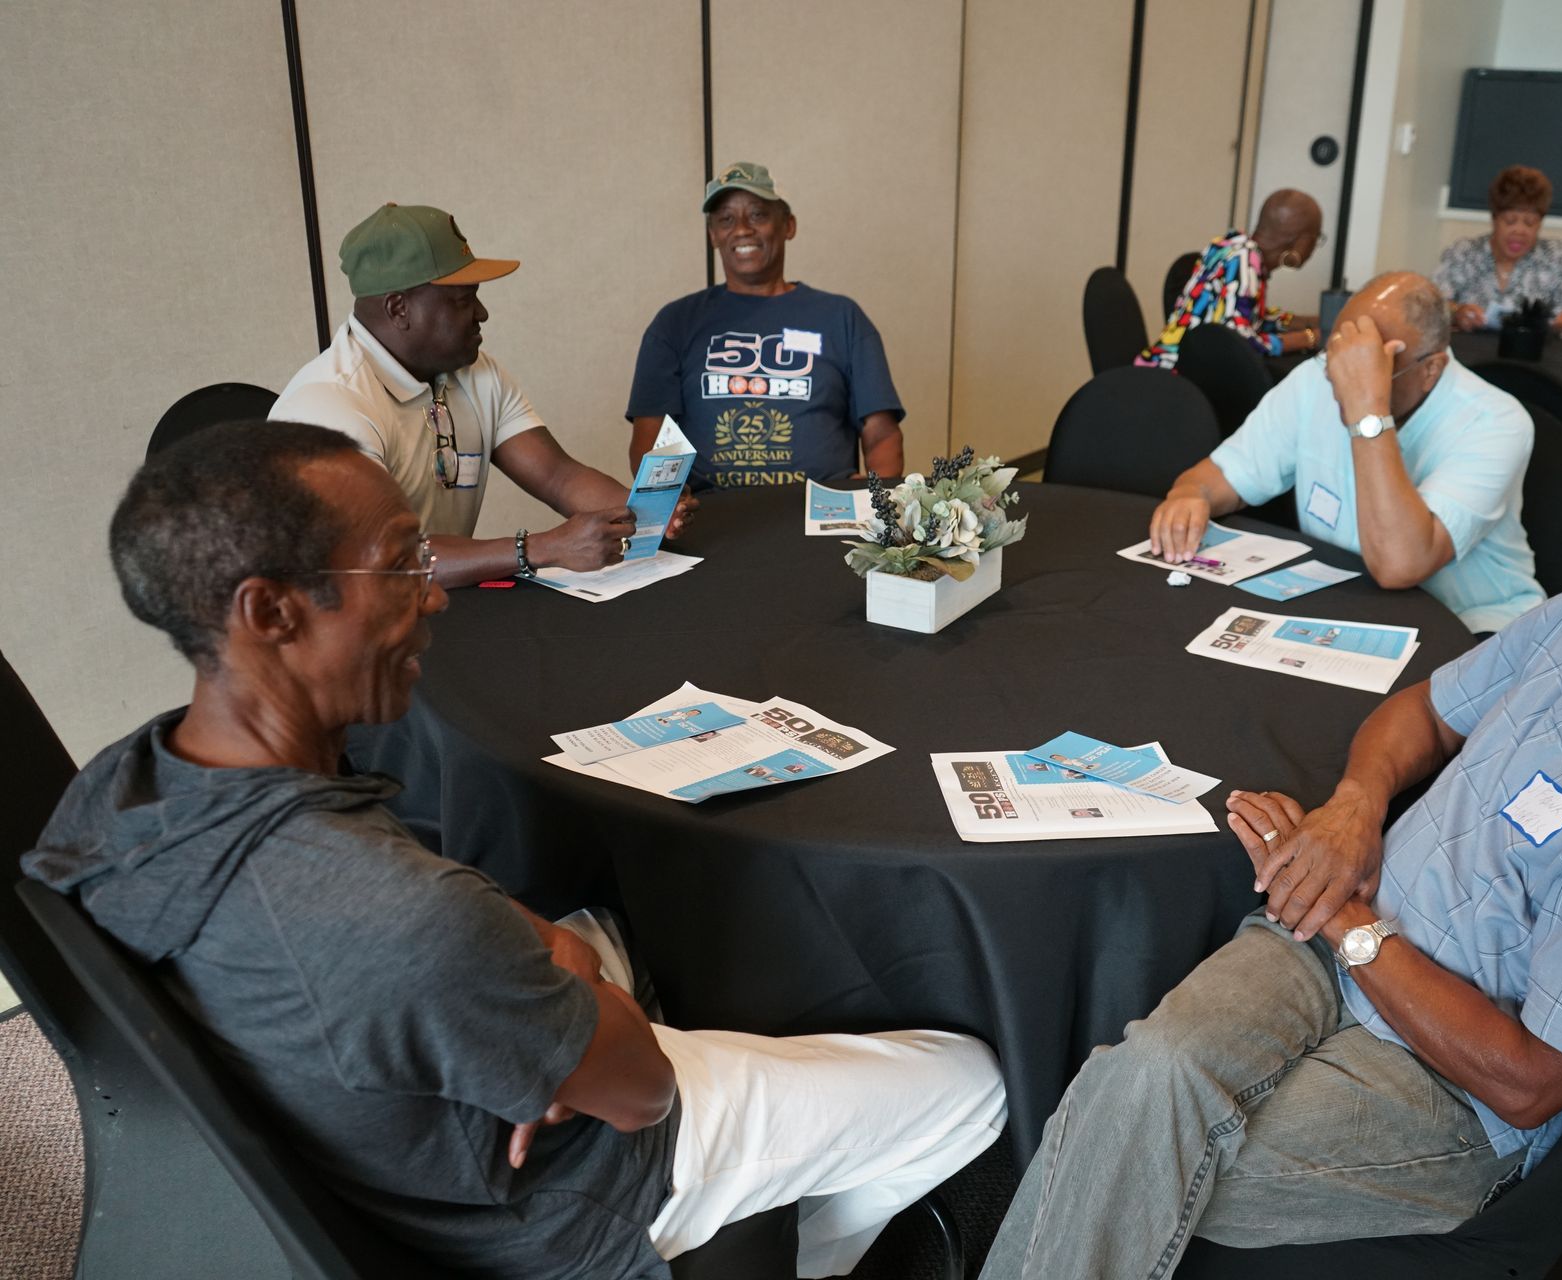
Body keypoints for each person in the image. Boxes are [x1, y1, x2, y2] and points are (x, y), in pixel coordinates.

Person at [26, 422, 1005, 1279]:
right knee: (968, 1083)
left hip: (408, 1097)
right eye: (403, 563)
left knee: (601, 927)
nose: (437, 596)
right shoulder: (397, 917)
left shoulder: (116, 786)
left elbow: (463, 944)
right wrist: (562, 1013)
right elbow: (639, 1084)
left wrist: (527, 972)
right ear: (272, 611)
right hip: (560, 1191)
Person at [982, 431, 1562, 1278]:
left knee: (1139, 1148)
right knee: (1138, 1086)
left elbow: (1528, 1082)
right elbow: (1424, 712)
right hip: (1338, 935)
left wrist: (1347, 920)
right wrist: (1352, 811)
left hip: (1449, 1082)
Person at [272, 202, 692, 589]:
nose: (481, 313)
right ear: (398, 308)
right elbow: (388, 556)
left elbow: (558, 475)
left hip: (435, 610)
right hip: (343, 641)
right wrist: (541, 548)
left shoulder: (476, 372)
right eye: (461, 300)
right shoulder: (328, 405)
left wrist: (643, 512)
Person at [1149, 271, 1544, 634]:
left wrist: (1367, 410)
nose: (1341, 379)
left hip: (1472, 626)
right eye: (1339, 355)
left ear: (1431, 369)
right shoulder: (1316, 378)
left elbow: (1399, 564)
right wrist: (1191, 495)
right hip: (1349, 610)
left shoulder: (1496, 421)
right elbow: (1223, 475)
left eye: (1371, 364)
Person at [627, 162, 905, 489]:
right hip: (709, 515)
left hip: (820, 513)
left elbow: (881, 433)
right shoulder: (676, 322)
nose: (742, 229)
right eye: (726, 219)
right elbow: (650, 434)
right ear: (713, 234)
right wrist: (670, 501)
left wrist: (878, 505)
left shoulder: (841, 317)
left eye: (758, 215)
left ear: (788, 225)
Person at [1137, 188, 1325, 371]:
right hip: (1175, 376)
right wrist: (1311, 338)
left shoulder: (1236, 246)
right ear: (1302, 242)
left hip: (1180, 365)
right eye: (1315, 239)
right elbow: (1242, 344)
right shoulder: (1244, 263)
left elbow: (1248, 317)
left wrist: (1311, 322)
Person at [1437, 165, 1562, 336]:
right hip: (1470, 354)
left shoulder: (1557, 256)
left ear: (1540, 223)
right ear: (1494, 218)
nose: (1519, 232)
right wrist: (1456, 313)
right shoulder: (1464, 253)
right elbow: (1432, 307)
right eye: (1510, 221)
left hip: (1535, 356)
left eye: (1530, 223)